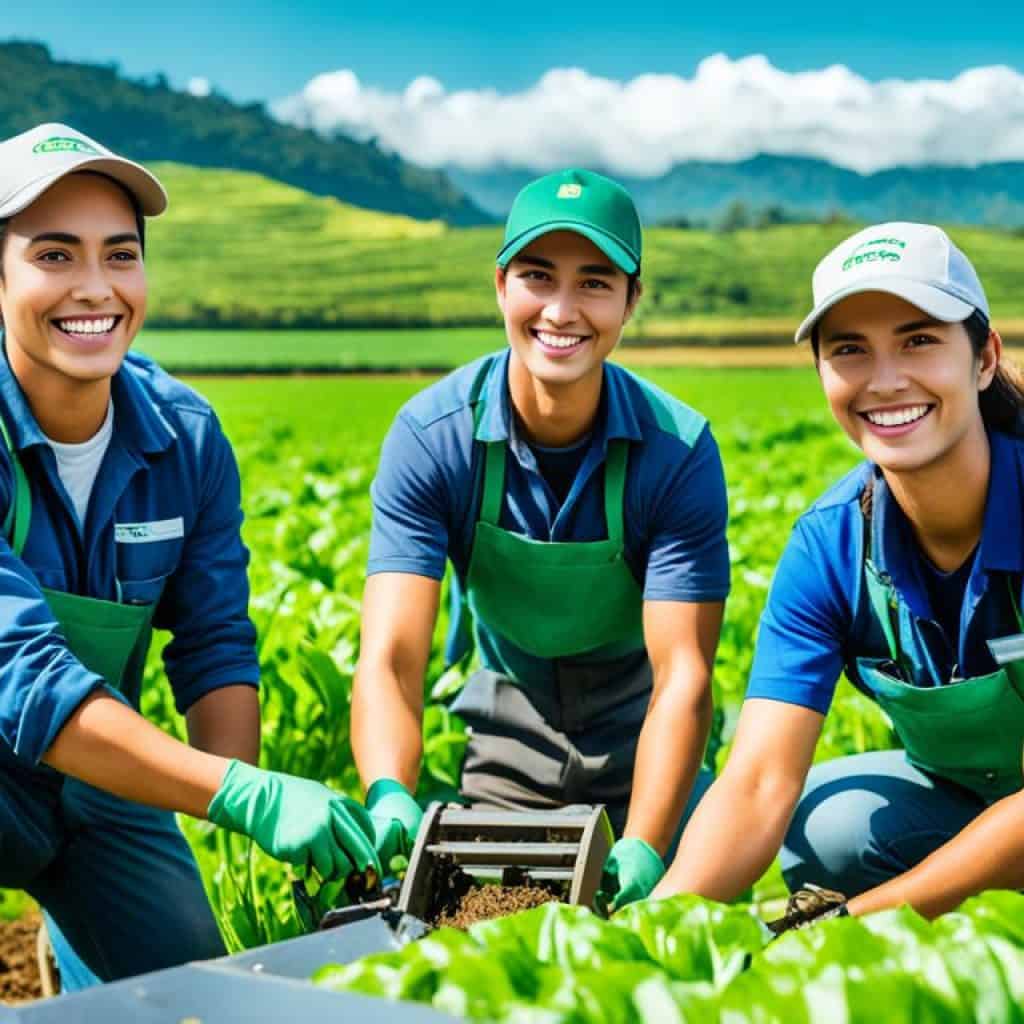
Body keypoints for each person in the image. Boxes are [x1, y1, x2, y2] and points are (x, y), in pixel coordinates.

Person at [0, 123, 380, 990]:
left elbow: (213, 641)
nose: (95, 288)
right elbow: (27, 678)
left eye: (120, 255)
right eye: (54, 256)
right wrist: (234, 792)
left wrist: (256, 804)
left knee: (189, 999)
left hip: (94, 783)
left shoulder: (185, 437)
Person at [352, 169, 729, 912]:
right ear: (500, 286)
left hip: (644, 738)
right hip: (507, 736)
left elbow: (683, 673)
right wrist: (389, 791)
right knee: (480, 934)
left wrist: (649, 843)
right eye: (536, 276)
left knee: (673, 944)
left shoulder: (676, 451)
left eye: (594, 282)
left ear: (630, 301)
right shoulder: (434, 439)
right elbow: (392, 656)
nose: (561, 310)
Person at [653, 222, 1024, 923]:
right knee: (830, 823)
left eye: (918, 341)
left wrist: (848, 922)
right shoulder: (831, 546)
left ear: (983, 359)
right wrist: (660, 925)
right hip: (974, 805)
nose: (884, 381)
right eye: (850, 350)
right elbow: (760, 779)